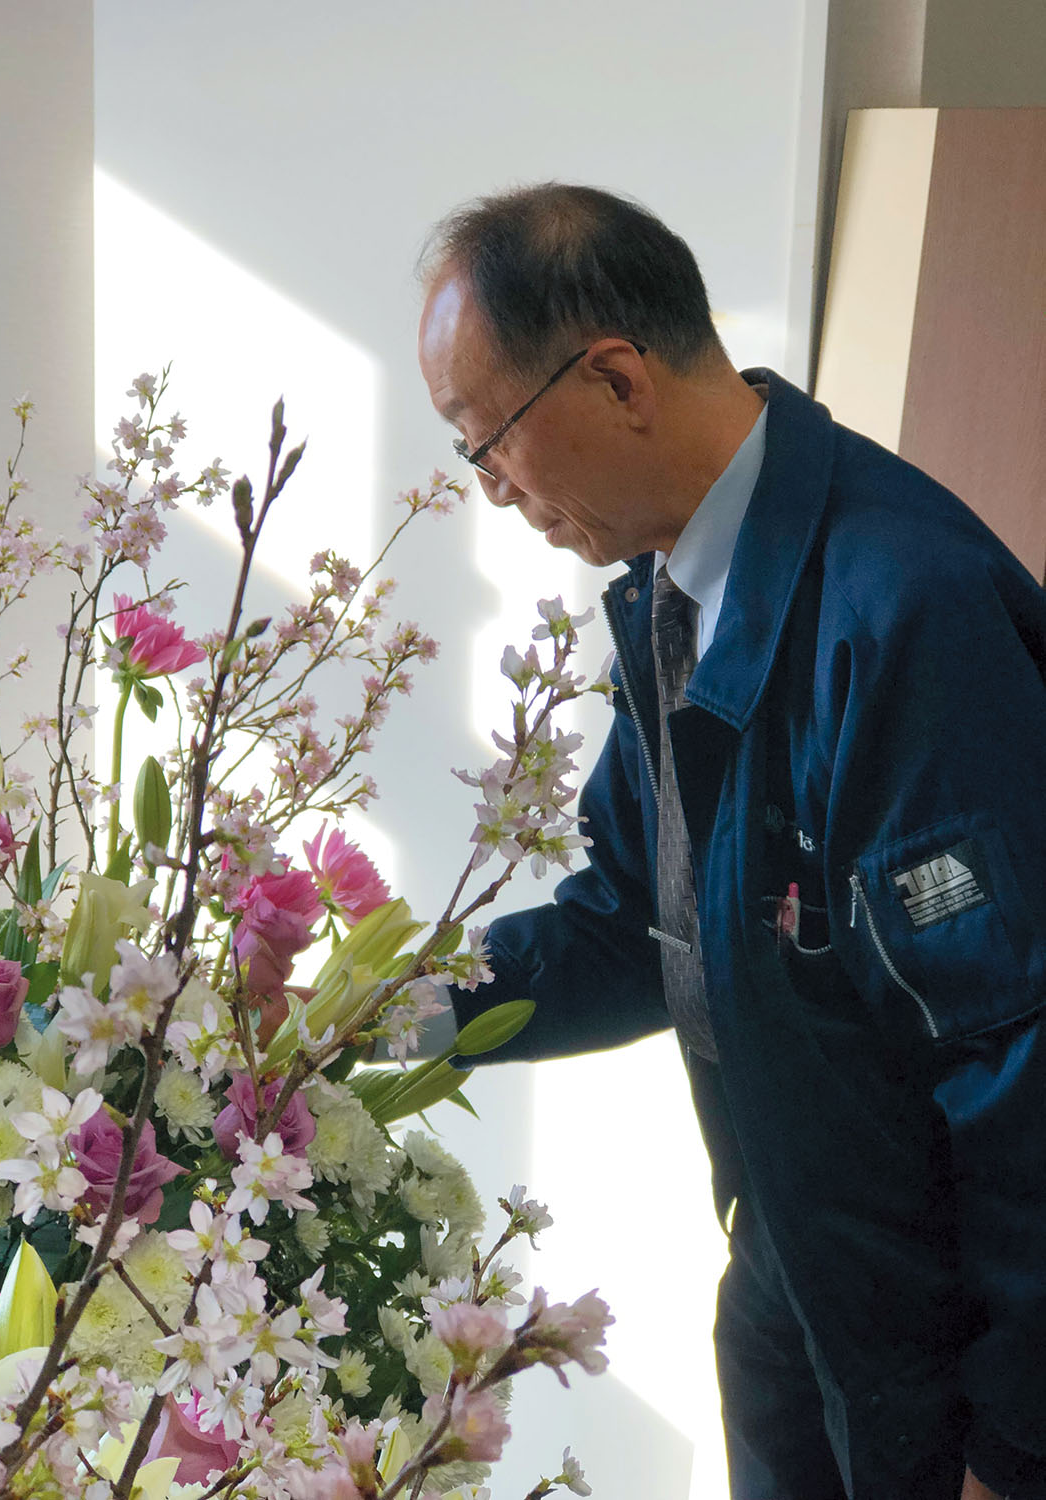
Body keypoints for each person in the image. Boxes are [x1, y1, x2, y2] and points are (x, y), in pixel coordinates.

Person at [416, 183, 1046, 1500]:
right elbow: (636, 926)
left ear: (616, 381)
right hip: (791, 1272)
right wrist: (385, 1017)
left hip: (935, 1343)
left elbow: (1021, 1072)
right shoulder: (675, 598)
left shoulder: (900, 611)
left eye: (486, 442)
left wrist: (1015, 1437)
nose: (491, 493)